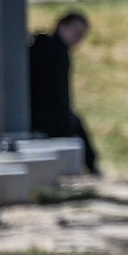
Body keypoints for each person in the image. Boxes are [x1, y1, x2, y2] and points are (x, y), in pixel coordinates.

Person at [28, 9, 99, 174]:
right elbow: (59, 92)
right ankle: (92, 168)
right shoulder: (57, 52)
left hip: (39, 108)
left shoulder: (41, 45)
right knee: (75, 125)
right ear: (62, 26)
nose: (78, 38)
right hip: (45, 112)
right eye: (76, 32)